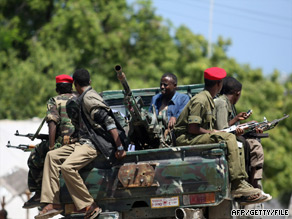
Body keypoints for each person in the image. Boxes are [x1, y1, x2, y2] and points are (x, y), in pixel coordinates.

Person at [35, 69, 126, 219]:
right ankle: (54, 203)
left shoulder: (90, 98)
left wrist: (120, 147)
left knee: (67, 167)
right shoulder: (82, 98)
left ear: (75, 84)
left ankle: (89, 205)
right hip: (82, 142)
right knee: (51, 156)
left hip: (94, 144)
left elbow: (109, 122)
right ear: (89, 82)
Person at [174, 67, 267, 205]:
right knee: (229, 137)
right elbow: (192, 128)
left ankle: (241, 183)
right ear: (219, 84)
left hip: (192, 136)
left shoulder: (208, 99)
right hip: (186, 139)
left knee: (231, 137)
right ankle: (238, 184)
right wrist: (214, 132)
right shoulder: (201, 100)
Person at [214, 76, 271, 201]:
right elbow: (223, 130)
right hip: (223, 139)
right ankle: (243, 186)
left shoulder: (227, 103)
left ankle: (253, 184)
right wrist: (239, 128)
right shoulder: (222, 103)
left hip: (227, 135)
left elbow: (226, 125)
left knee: (255, 145)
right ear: (237, 93)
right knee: (243, 143)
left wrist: (241, 123)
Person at [23, 74, 76, 209]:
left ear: (57, 88)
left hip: (62, 144)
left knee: (34, 156)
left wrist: (51, 147)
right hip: (81, 144)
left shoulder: (54, 101)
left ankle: (39, 192)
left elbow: (52, 123)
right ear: (71, 87)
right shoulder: (79, 98)